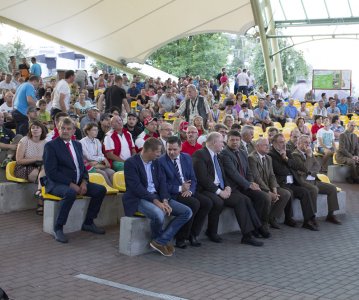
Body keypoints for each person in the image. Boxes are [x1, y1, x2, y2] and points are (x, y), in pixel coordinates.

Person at [192, 132, 267, 246]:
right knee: (222, 201)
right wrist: (220, 192)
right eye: (222, 141)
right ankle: (213, 232)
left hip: (221, 188)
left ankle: (250, 232)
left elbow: (223, 175)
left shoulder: (217, 154)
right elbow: (203, 179)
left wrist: (227, 187)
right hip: (207, 190)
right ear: (214, 142)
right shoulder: (200, 154)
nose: (223, 144)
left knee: (244, 199)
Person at [123, 137, 192, 257]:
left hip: (158, 196)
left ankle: (160, 241)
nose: (160, 154)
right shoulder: (131, 163)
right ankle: (160, 241)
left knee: (187, 212)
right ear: (149, 151)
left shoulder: (156, 162)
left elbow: (162, 183)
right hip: (138, 198)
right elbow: (137, 188)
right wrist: (157, 202)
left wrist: (165, 200)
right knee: (159, 214)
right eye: (158, 152)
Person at [43, 117, 107, 243]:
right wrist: (71, 185)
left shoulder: (77, 144)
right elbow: (51, 172)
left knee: (100, 190)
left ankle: (88, 222)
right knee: (70, 193)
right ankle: (58, 228)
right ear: (58, 129)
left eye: (68, 129)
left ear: (73, 131)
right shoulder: (51, 146)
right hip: (56, 183)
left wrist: (84, 181)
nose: (65, 131)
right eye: (62, 128)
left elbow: (82, 166)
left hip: (77, 181)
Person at [159, 136, 212, 248]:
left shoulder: (187, 157)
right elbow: (162, 185)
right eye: (169, 149)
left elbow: (193, 178)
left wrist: (191, 191)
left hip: (188, 190)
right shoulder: (161, 161)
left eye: (175, 149)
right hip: (173, 193)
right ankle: (181, 238)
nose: (172, 152)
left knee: (207, 202)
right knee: (194, 204)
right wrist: (180, 188)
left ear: (180, 148)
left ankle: (194, 234)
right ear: (166, 148)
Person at [221, 130, 274, 231]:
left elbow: (248, 171)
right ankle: (255, 228)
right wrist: (249, 185)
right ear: (227, 141)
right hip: (234, 187)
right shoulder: (225, 154)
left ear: (240, 141)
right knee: (246, 200)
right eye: (232, 140)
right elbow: (233, 174)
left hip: (245, 185)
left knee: (262, 196)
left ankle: (261, 224)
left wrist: (251, 182)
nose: (235, 142)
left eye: (237, 140)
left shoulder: (243, 152)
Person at [269, 133, 316, 229]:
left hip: (292, 182)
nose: (283, 144)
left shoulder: (288, 152)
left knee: (305, 192)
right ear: (274, 143)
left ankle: (308, 220)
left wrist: (286, 159)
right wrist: (289, 165)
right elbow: (280, 170)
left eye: (284, 142)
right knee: (289, 193)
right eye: (281, 142)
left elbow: (298, 166)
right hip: (280, 183)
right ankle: (288, 218)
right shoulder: (271, 154)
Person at [292, 135, 341, 225]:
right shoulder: (295, 155)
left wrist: (310, 172)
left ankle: (331, 214)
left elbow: (318, 166)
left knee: (332, 188)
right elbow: (303, 169)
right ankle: (311, 216)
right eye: (305, 142)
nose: (308, 145)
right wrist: (310, 157)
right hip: (302, 181)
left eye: (309, 143)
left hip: (312, 179)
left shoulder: (309, 152)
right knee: (314, 189)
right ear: (298, 144)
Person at [248, 138, 291, 229]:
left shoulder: (268, 158)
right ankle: (263, 223)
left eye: (268, 145)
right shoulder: (252, 158)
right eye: (265, 145)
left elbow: (272, 175)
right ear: (257, 146)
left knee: (286, 193)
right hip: (258, 187)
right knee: (267, 197)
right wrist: (269, 192)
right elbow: (257, 178)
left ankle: (272, 218)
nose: (268, 147)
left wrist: (275, 190)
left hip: (268, 185)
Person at [14, 121, 47, 215]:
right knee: (42, 175)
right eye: (33, 128)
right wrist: (36, 158)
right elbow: (19, 160)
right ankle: (41, 201)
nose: (35, 129)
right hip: (23, 167)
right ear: (30, 130)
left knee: (45, 171)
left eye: (37, 127)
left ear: (42, 130)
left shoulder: (46, 142)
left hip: (41, 168)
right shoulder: (24, 140)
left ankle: (39, 191)